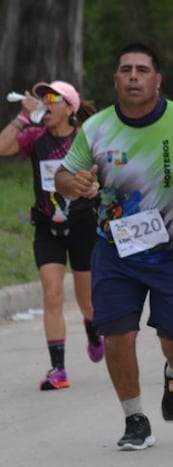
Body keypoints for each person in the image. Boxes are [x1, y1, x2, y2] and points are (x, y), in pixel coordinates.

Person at [54, 42, 173, 451]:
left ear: (157, 80)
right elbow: (64, 176)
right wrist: (74, 184)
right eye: (126, 70)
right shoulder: (96, 127)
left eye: (142, 70)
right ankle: (134, 418)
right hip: (115, 250)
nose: (134, 76)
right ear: (116, 79)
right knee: (116, 334)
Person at [0, 81, 101, 390]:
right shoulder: (34, 138)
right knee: (52, 293)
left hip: (83, 223)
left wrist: (97, 187)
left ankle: (92, 329)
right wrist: (21, 116)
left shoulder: (84, 139)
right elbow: (2, 147)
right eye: (42, 99)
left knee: (87, 301)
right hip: (48, 226)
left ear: (70, 107)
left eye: (53, 99)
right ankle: (58, 369)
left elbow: (107, 171)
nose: (46, 104)